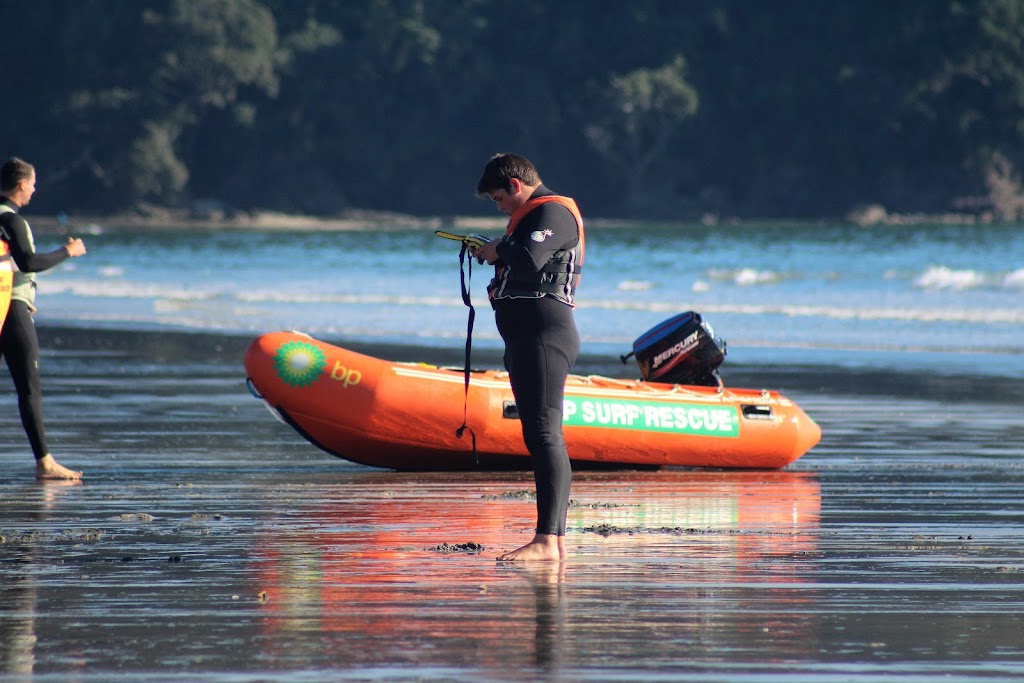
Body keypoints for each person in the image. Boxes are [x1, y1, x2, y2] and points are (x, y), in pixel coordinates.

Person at [471, 153, 585, 562]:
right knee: (539, 435)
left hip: (545, 336)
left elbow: (529, 259)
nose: (500, 208)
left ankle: (548, 543)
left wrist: (497, 249)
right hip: (527, 336)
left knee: (544, 433)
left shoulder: (554, 211)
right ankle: (550, 541)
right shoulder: (530, 218)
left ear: (516, 186)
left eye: (499, 199)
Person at [0, 157, 87, 480]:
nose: (35, 190)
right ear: (21, 184)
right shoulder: (12, 220)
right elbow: (28, 262)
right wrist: (68, 251)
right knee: (29, 388)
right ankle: (45, 462)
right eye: (33, 183)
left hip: (3, 304)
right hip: (12, 309)